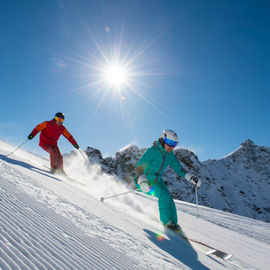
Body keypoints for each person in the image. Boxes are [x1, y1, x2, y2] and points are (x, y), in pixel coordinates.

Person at [134, 129, 201, 231]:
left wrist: (190, 177)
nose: (171, 146)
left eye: (174, 144)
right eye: (169, 142)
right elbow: (139, 167)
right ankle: (167, 223)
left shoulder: (170, 156)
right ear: (162, 139)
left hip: (157, 180)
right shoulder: (152, 151)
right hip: (145, 180)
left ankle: (173, 222)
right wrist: (142, 180)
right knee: (164, 196)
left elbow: (178, 169)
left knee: (169, 199)